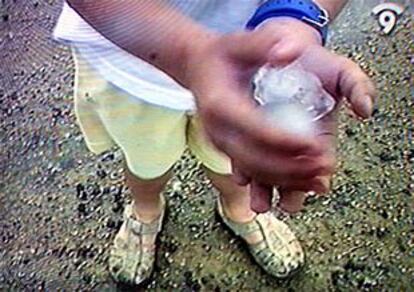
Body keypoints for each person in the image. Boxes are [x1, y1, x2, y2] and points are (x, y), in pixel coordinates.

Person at [54, 0, 376, 285]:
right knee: (146, 161)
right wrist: (191, 57)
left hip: (252, 64)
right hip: (128, 64)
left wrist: (296, 17)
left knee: (233, 158)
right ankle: (146, 210)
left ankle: (238, 209)